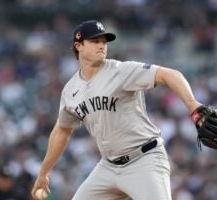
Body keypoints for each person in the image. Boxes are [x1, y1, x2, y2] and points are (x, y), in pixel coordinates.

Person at [31, 20, 202, 200]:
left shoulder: (121, 70)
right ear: (78, 46)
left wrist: (193, 106)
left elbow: (169, 74)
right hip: (108, 166)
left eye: (104, 42)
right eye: (95, 41)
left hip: (144, 159)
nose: (102, 46)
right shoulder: (70, 90)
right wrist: (44, 174)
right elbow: (62, 131)